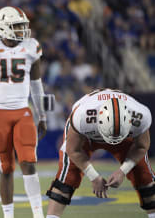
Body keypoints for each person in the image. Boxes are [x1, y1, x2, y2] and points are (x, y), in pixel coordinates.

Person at [0, 6, 48, 218]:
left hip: (22, 112)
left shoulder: (31, 46)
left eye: (23, 26)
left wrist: (42, 114)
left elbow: (36, 84)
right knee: (6, 166)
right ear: (3, 27)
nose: (22, 31)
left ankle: (38, 214)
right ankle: (9, 216)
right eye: (17, 26)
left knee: (28, 161)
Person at [46, 88, 155, 218]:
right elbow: (73, 149)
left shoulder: (141, 116)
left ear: (130, 121)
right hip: (88, 135)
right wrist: (93, 176)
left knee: (144, 177)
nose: (112, 142)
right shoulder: (82, 116)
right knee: (67, 177)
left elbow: (142, 146)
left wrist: (123, 171)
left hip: (125, 137)